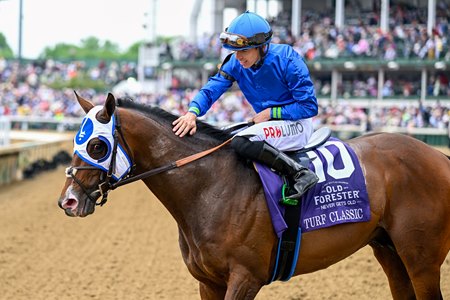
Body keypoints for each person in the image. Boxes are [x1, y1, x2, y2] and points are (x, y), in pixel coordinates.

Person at [172, 11, 319, 199]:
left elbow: (309, 107)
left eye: (244, 51)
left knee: (244, 141)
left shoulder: (288, 60)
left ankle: (300, 174)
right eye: (235, 51)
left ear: (262, 47)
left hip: (298, 125)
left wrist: (270, 113)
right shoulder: (235, 63)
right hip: (268, 125)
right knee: (220, 138)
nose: (239, 57)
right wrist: (192, 113)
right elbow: (211, 90)